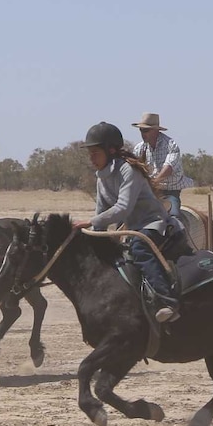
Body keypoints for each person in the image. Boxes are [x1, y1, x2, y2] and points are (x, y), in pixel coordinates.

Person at [73, 122, 181, 323]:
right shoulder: (101, 177)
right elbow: (102, 211)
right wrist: (95, 237)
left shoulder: (128, 171)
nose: (91, 158)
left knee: (139, 248)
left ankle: (167, 301)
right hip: (134, 228)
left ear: (110, 150)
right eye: (90, 153)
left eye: (95, 152)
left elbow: (123, 208)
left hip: (153, 225)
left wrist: (89, 221)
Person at [132, 112, 186, 218]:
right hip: (148, 193)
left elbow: (168, 168)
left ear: (156, 130)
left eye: (146, 130)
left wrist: (153, 182)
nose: (143, 133)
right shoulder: (139, 148)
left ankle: (179, 233)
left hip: (169, 192)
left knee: (174, 216)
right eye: (141, 130)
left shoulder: (170, 145)